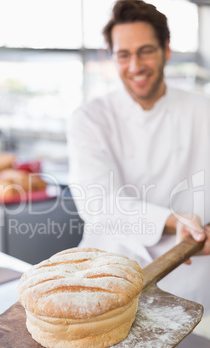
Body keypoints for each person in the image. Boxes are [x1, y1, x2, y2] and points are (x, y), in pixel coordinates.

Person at [67, 0, 210, 313]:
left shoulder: (204, 111)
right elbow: (98, 203)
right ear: (112, 57)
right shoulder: (90, 118)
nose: (135, 66)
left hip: (192, 284)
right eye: (124, 55)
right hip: (110, 281)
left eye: (145, 51)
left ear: (166, 50)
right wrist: (175, 221)